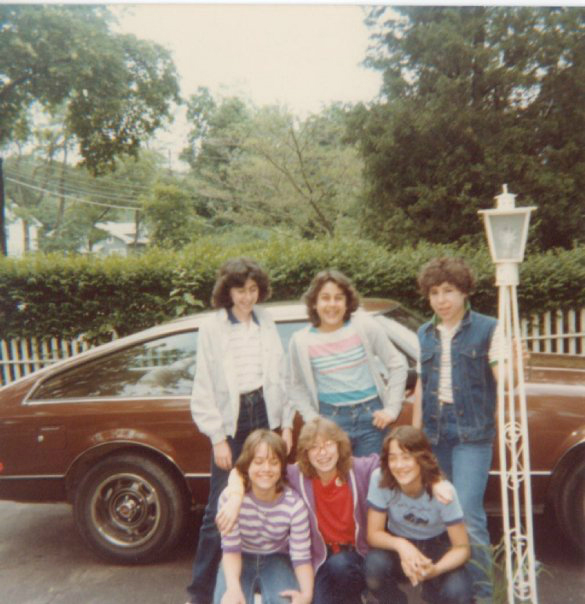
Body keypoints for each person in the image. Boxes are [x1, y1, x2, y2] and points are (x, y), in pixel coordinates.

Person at [218, 417, 452, 604]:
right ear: (306, 453)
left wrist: (436, 480)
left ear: (339, 445)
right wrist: (235, 496)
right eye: (314, 447)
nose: (322, 453)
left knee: (341, 567)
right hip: (321, 558)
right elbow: (247, 469)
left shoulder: (359, 469)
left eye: (328, 444)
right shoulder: (297, 475)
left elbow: (401, 465)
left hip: (356, 555)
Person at [185, 257, 294, 604]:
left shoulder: (266, 320)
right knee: (219, 507)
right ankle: (200, 593)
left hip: (265, 413)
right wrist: (217, 437)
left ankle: (265, 578)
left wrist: (286, 423)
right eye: (240, 290)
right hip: (232, 421)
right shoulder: (212, 327)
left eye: (252, 289)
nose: (247, 297)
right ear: (227, 292)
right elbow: (204, 385)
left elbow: (282, 375)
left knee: (270, 494)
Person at [412, 257, 504, 603]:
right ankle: (445, 587)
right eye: (435, 292)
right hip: (435, 433)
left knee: (467, 513)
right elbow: (422, 384)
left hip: (472, 435)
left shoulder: (489, 328)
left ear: (464, 291)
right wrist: (415, 437)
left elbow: (503, 379)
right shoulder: (424, 332)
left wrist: (513, 365)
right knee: (439, 511)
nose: (441, 300)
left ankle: (483, 595)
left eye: (448, 291)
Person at [288, 269, 408, 456]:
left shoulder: (364, 326)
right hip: (330, 421)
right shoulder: (301, 340)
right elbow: (295, 385)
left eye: (338, 298)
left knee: (372, 473)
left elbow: (397, 364)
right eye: (325, 298)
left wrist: (392, 409)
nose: (332, 304)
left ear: (347, 302)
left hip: (372, 419)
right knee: (337, 475)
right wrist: (311, 418)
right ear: (314, 303)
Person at [363, 426, 472, 604]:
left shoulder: (444, 491)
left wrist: (435, 570)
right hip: (398, 542)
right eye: (393, 458)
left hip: (436, 545)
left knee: (458, 592)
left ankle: (432, 590)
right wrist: (401, 545)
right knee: (374, 566)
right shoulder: (380, 478)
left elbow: (462, 548)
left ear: (421, 458)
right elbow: (373, 534)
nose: (399, 466)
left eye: (406, 457)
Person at [214, 430, 313, 604]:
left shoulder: (295, 506)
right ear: (247, 465)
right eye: (258, 462)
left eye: (274, 462)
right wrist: (233, 588)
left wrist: (306, 595)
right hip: (240, 555)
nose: (266, 469)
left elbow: (301, 556)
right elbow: (231, 549)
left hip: (276, 557)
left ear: (282, 467)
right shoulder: (231, 501)